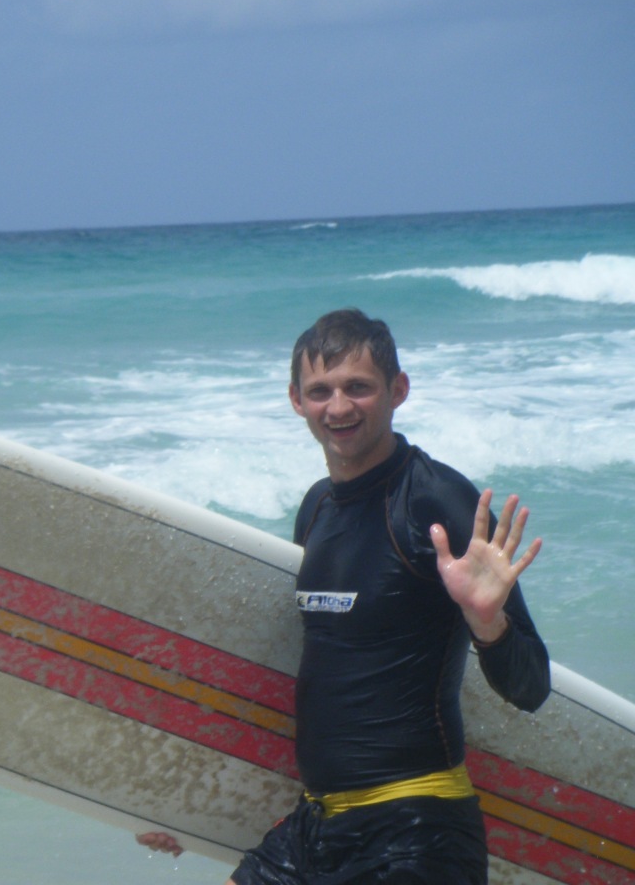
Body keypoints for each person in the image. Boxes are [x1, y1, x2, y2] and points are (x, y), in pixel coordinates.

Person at [139, 308, 550, 884]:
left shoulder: (434, 501)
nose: (338, 407)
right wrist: (181, 814)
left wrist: (487, 623)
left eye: (358, 387)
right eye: (320, 391)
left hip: (416, 832)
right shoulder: (317, 507)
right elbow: (305, 674)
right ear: (295, 400)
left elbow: (532, 688)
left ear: (398, 390)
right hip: (315, 826)